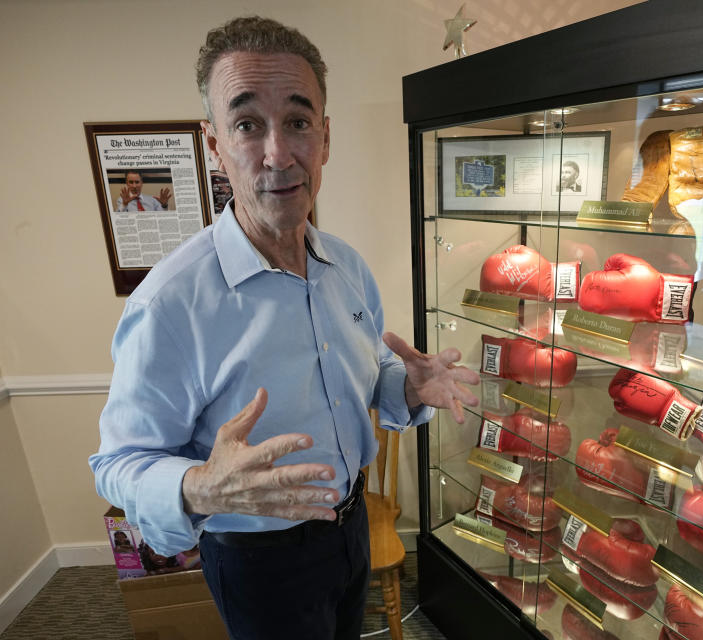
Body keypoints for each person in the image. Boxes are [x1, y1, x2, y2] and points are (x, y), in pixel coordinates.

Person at [90, 16, 479, 640]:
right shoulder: (169, 303)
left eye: (298, 122)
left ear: (324, 138)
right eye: (248, 125)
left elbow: (367, 379)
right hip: (258, 560)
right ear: (214, 144)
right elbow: (118, 463)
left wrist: (404, 389)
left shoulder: (346, 267)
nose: (278, 152)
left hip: (351, 526)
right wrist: (200, 486)